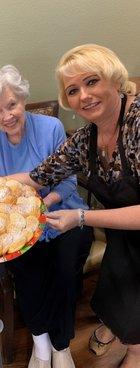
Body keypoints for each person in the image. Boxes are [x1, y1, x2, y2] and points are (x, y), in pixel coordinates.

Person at [9, 44, 140, 368]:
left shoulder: (138, 125)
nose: (84, 95)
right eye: (73, 90)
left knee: (136, 339)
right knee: (115, 298)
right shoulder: (84, 141)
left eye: (91, 81)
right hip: (125, 239)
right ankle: (114, 328)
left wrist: (81, 217)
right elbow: (38, 176)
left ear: (114, 79)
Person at [0, 65, 93, 368]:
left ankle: (61, 344)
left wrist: (45, 204)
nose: (7, 116)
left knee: (66, 269)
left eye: (12, 105)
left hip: (64, 212)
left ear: (23, 100)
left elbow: (67, 181)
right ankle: (40, 343)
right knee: (28, 273)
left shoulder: (51, 127)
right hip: (19, 227)